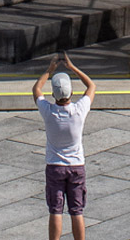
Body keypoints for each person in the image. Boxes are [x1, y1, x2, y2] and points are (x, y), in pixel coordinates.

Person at [31, 52, 96, 240]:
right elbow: (91, 86)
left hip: (54, 166)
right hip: (76, 166)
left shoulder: (48, 112)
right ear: (71, 93)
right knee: (77, 210)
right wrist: (72, 67)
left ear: (53, 94)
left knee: (55, 210)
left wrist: (49, 71)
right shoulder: (79, 110)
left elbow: (36, 90)